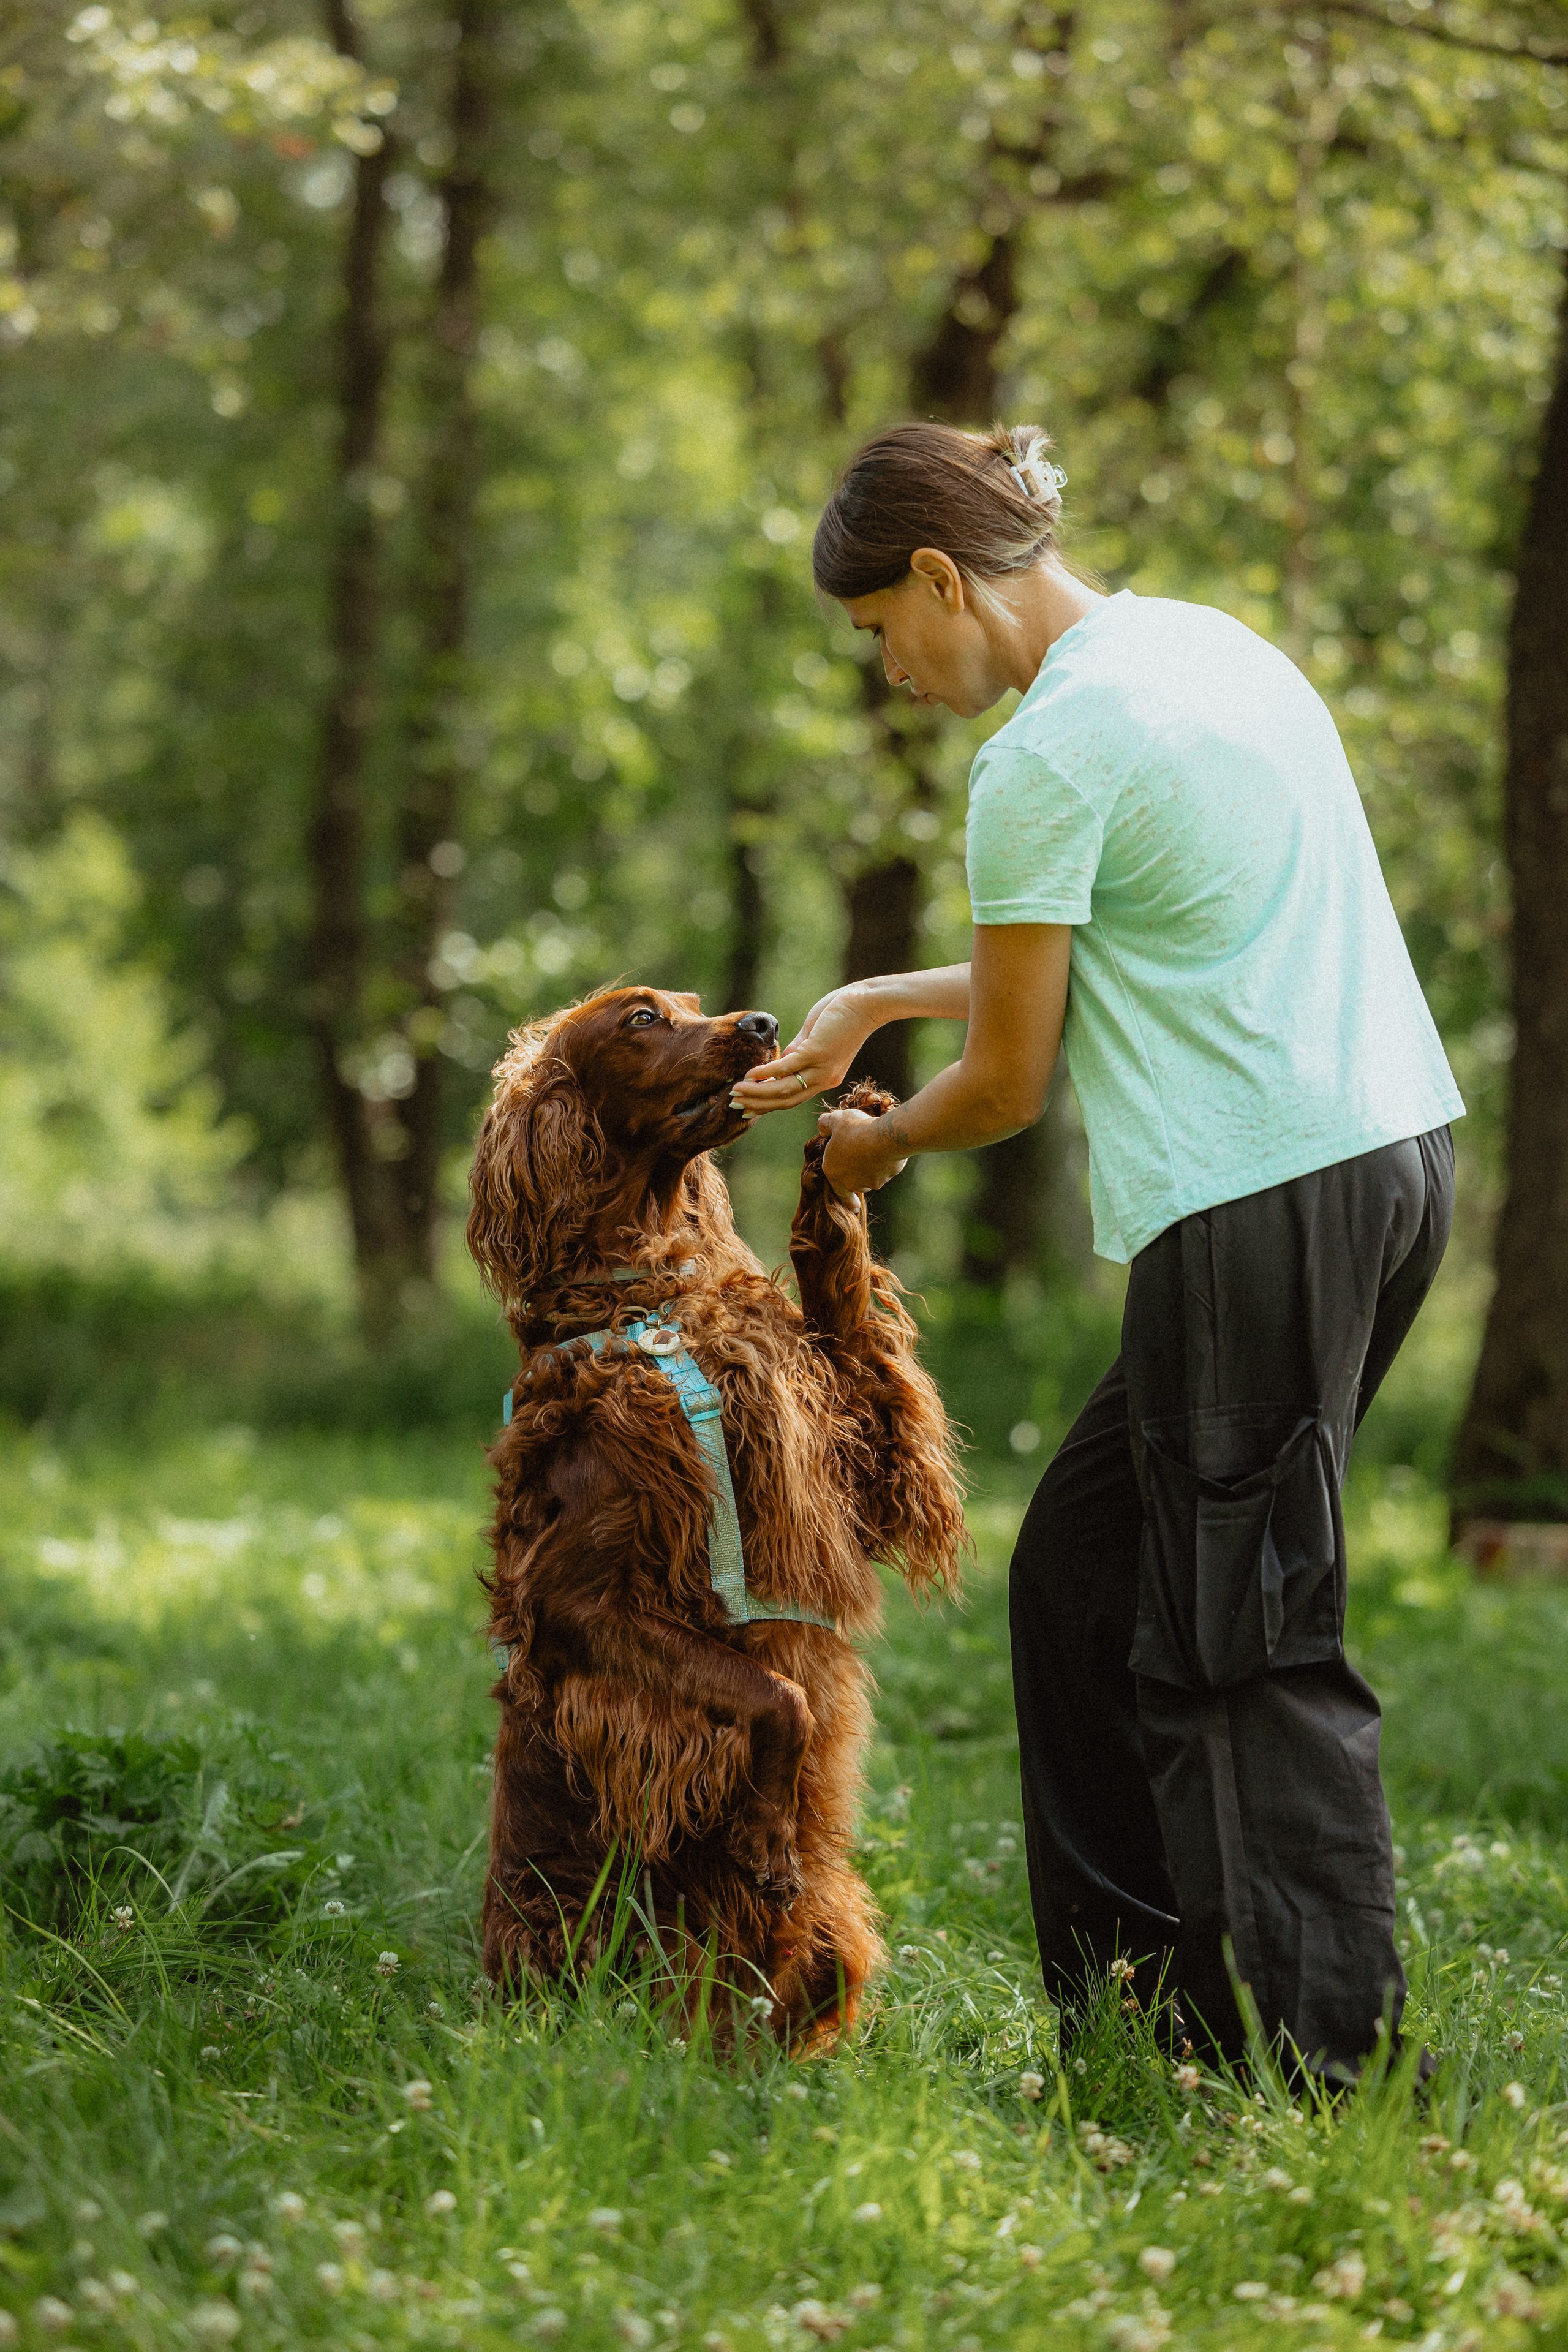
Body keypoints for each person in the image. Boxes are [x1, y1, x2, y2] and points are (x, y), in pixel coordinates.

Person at [731, 419, 1463, 2085]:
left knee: (1243, 1643)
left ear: (936, 577)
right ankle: (1142, 2019)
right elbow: (1128, 927)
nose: (888, 673)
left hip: (1255, 1206)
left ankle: (1316, 2076)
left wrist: (873, 1143)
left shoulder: (1046, 752)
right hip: (1391, 1166)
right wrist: (871, 1002)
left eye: (876, 636)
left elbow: (1003, 1081)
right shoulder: (1205, 651)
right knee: (1082, 1573)